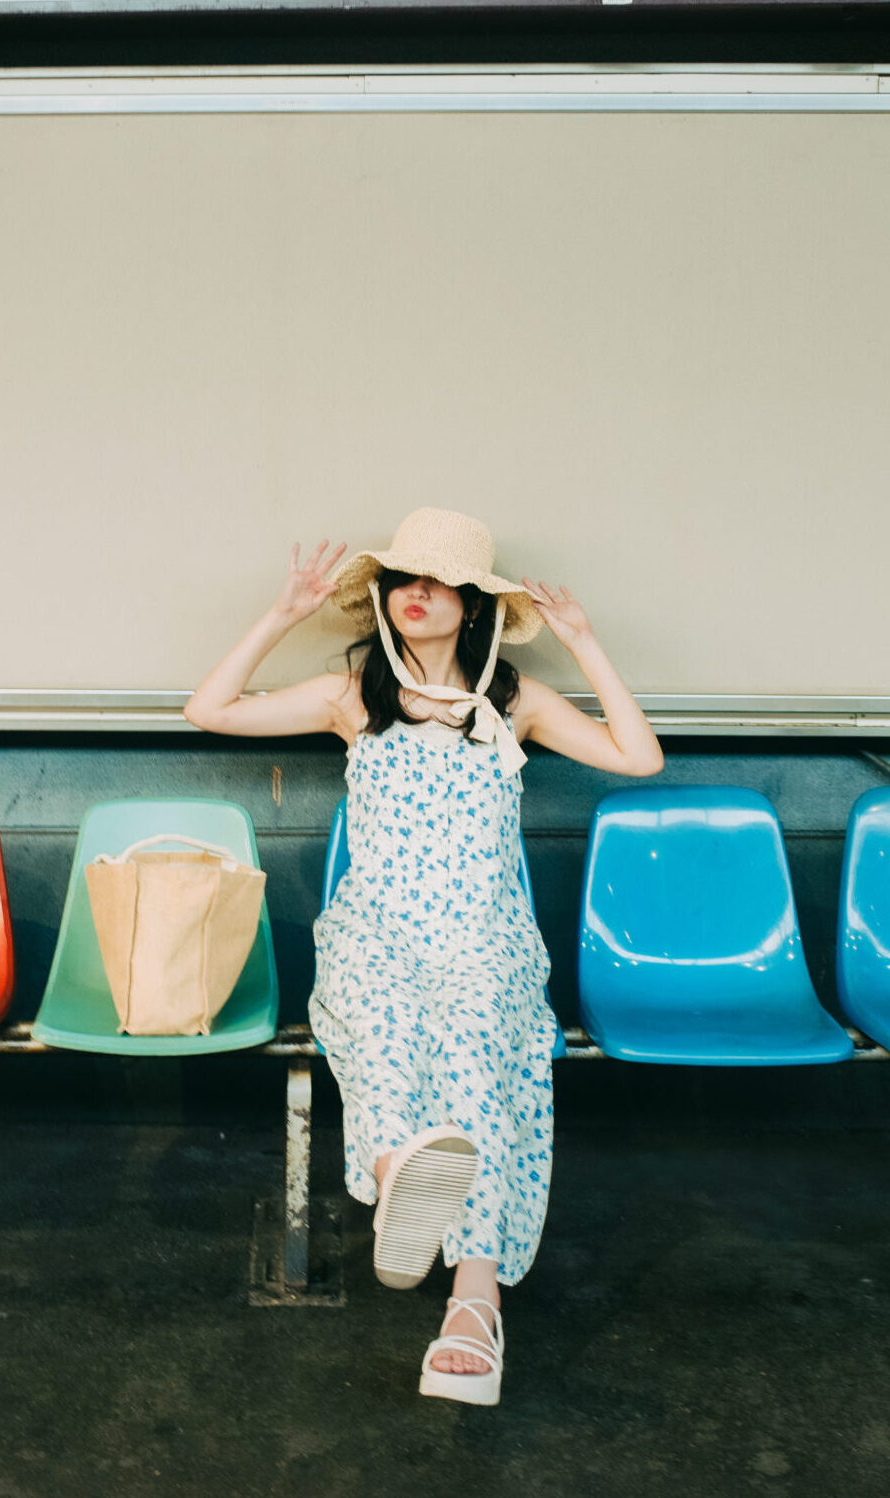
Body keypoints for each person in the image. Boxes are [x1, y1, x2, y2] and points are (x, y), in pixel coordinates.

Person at [184, 507, 663, 1405]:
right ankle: (402, 1186)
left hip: (484, 937)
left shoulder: (513, 704)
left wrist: (584, 642)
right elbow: (207, 710)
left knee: (480, 1061)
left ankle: (468, 1299)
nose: (416, 593)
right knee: (383, 1033)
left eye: (437, 581)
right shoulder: (352, 695)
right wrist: (280, 614)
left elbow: (637, 757)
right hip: (376, 930)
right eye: (402, 579)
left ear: (473, 606)